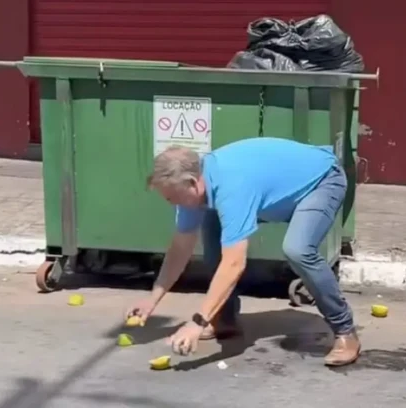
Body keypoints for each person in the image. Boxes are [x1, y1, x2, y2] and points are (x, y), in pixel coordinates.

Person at [125, 137, 361, 367]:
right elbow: (180, 248)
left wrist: (196, 321)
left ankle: (345, 331)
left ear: (193, 184)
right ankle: (223, 320)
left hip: (321, 181)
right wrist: (152, 299)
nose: (172, 204)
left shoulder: (231, 187)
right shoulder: (195, 188)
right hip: (275, 194)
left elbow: (234, 264)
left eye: (173, 198)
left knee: (297, 249)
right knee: (212, 225)